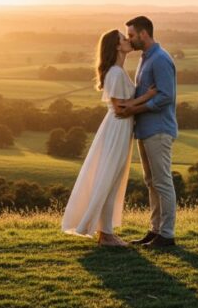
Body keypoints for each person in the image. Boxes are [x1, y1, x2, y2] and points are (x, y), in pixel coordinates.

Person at [61, 29, 157, 247]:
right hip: (117, 128)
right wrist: (148, 97)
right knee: (108, 177)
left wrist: (140, 101)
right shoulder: (114, 73)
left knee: (112, 177)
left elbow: (124, 106)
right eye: (124, 39)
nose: (128, 41)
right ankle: (105, 234)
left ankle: (106, 231)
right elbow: (119, 108)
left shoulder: (118, 71)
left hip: (121, 128)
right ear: (116, 46)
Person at [116, 16, 178, 248]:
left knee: (162, 182)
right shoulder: (146, 58)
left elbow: (165, 97)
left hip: (159, 129)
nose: (130, 40)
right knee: (151, 182)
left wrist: (134, 108)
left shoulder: (160, 59)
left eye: (131, 35)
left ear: (143, 34)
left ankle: (167, 234)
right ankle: (155, 230)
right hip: (146, 129)